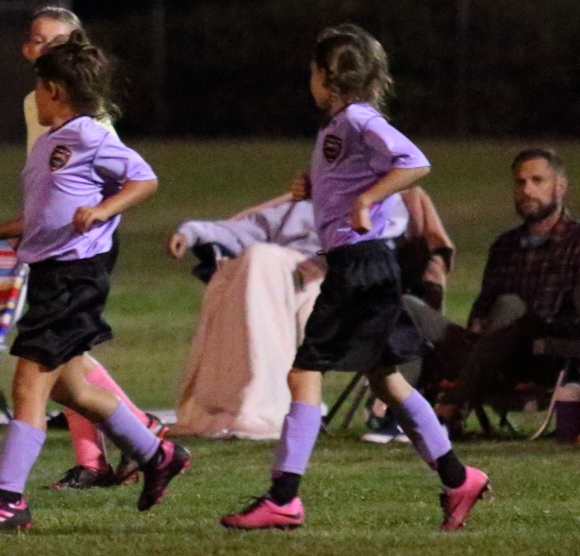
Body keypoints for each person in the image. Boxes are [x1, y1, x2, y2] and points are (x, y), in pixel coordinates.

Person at [220, 24, 488, 532]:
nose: (310, 81)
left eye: (313, 71)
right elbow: (350, 176)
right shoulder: (339, 126)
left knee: (305, 372)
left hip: (361, 264)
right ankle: (459, 479)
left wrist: (367, 199)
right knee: (386, 379)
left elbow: (415, 162)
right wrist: (315, 188)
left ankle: (284, 497)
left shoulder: (361, 118)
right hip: (367, 265)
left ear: (327, 76)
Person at [0, 31, 189, 532]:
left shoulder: (89, 135)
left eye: (37, 88)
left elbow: (145, 179)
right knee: (73, 389)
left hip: (73, 277)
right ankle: (159, 455)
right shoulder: (49, 144)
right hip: (50, 276)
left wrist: (103, 210)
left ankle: (7, 500)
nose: (34, 98)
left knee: (28, 385)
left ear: (54, 90)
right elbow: (47, 213)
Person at [167, 187, 453, 443]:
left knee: (267, 261)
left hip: (338, 290)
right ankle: (246, 406)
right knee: (259, 258)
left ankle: (437, 452)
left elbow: (370, 252)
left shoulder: (382, 206)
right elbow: (240, 230)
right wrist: (190, 233)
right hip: (279, 286)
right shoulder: (298, 207)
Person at [20, 6, 165, 490]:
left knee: (52, 364)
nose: (40, 48)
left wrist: (99, 213)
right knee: (67, 369)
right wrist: (18, 226)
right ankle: (127, 447)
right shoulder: (37, 103)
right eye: (36, 40)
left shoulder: (87, 122)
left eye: (54, 41)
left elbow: (128, 179)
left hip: (80, 247)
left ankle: (133, 436)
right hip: (53, 242)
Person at [418, 148, 580, 435]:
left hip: (539, 354)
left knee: (510, 305)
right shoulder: (505, 245)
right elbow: (482, 307)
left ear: (560, 187)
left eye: (537, 181)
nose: (527, 190)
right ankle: (394, 414)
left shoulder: (575, 242)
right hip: (488, 351)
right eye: (520, 182)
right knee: (408, 307)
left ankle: (452, 407)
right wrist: (478, 323)